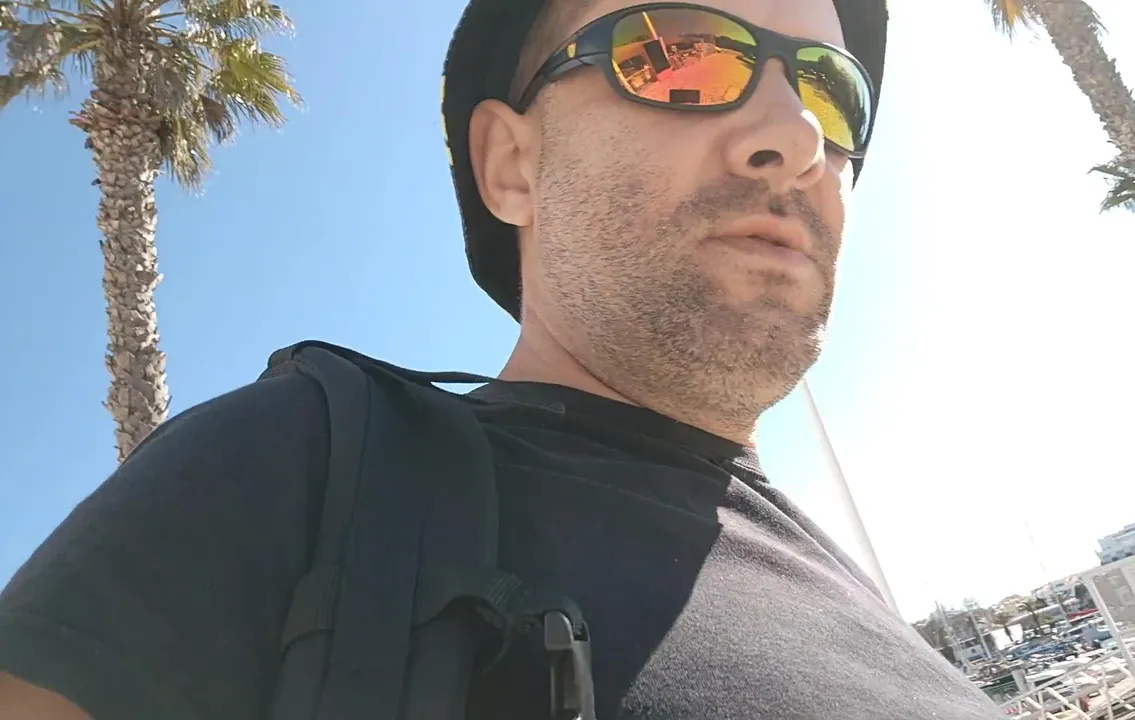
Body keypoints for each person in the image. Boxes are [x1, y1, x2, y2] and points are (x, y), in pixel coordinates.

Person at [0, 0, 1004, 717]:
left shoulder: (843, 581)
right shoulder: (294, 472)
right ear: (513, 164)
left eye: (830, 91)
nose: (797, 135)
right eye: (679, 55)